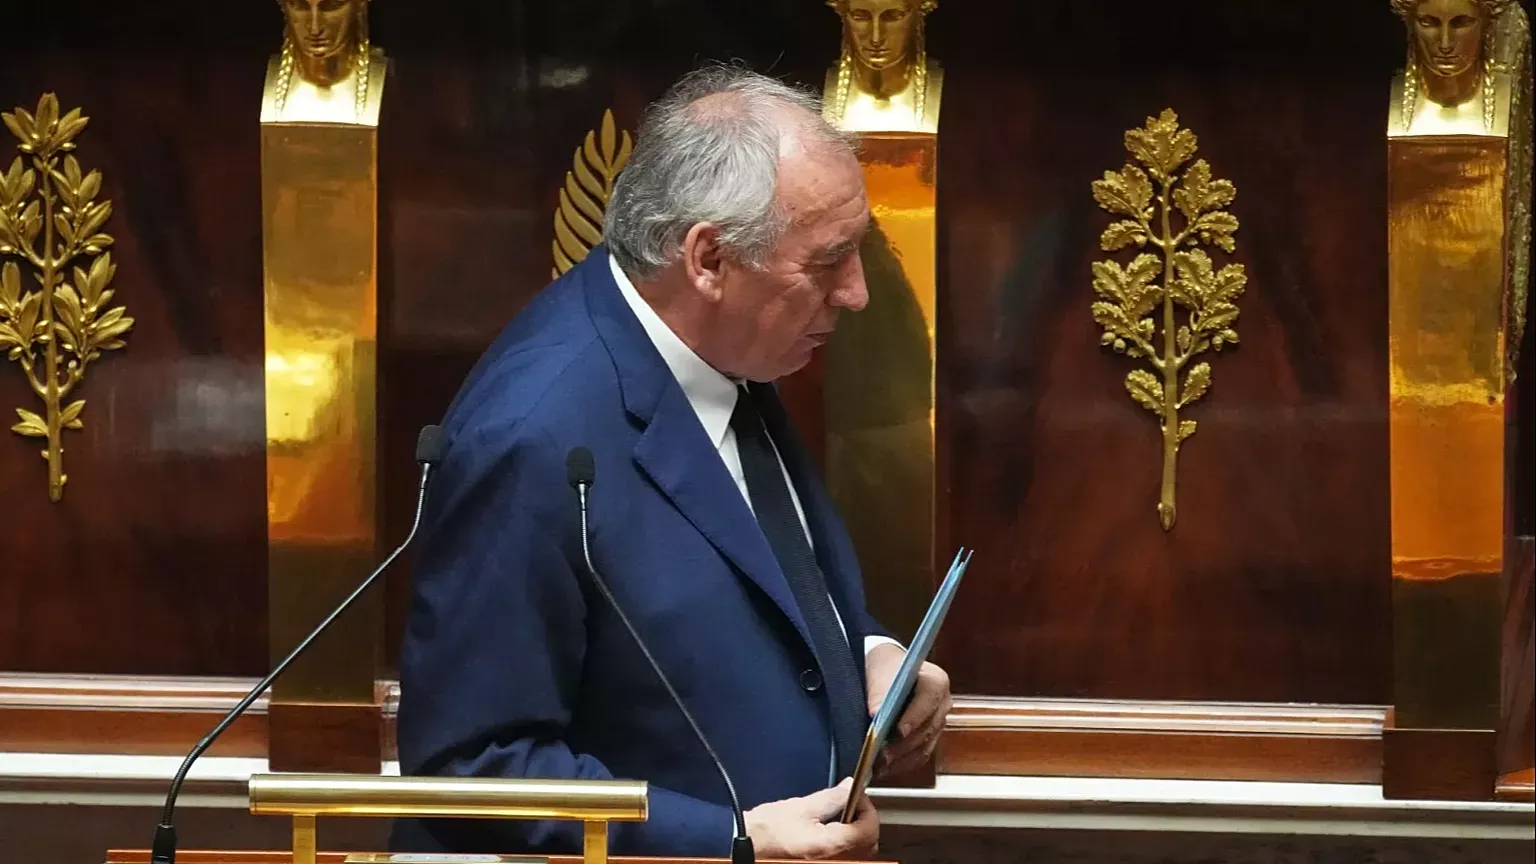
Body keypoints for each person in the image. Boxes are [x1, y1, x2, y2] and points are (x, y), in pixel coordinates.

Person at [392, 65, 952, 859]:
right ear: (710, 259)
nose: (857, 293)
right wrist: (730, 841)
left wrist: (865, 654)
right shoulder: (530, 438)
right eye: (828, 261)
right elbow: (468, 765)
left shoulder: (724, 345)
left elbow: (742, 568)